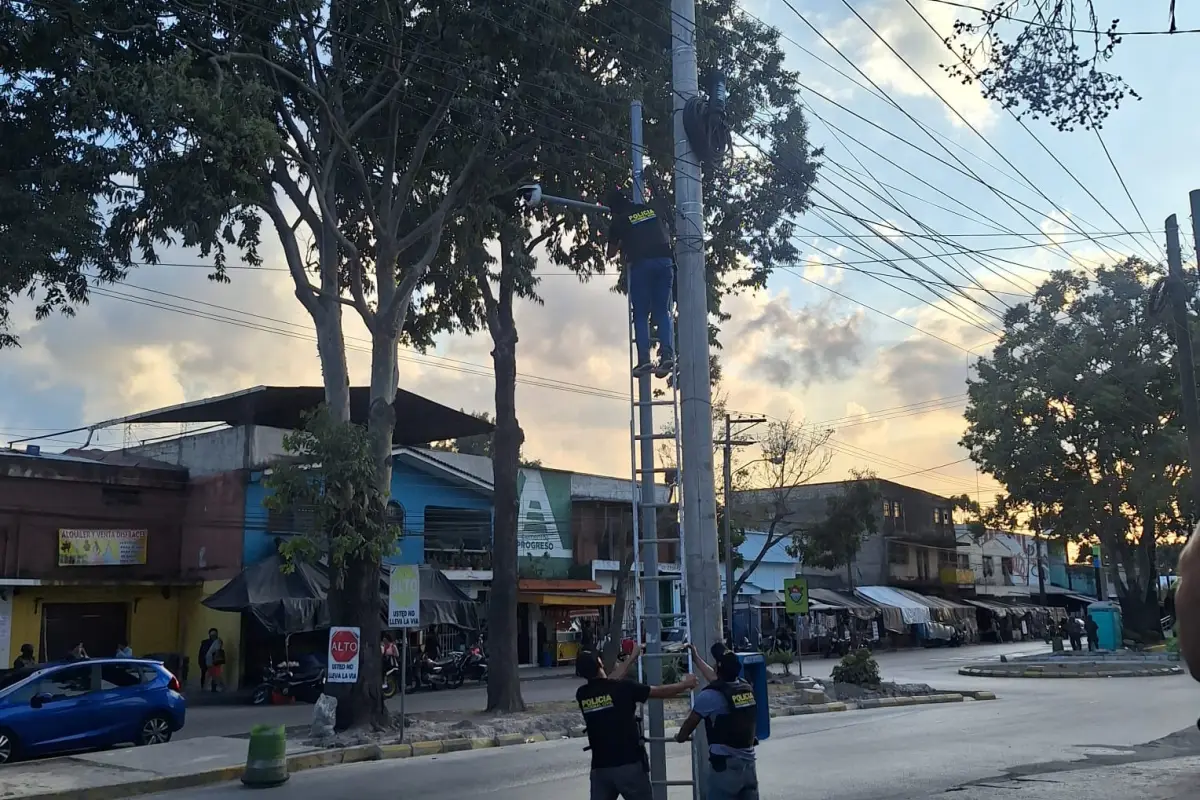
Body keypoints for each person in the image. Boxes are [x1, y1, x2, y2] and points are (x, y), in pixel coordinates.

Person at [575, 647, 698, 800]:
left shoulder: (582, 694)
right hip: (630, 766)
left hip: (600, 770)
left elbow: (607, 683)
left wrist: (632, 657)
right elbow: (659, 692)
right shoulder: (624, 687)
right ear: (600, 662)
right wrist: (686, 684)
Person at [605, 187, 675, 379]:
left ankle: (644, 359)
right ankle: (667, 354)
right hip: (665, 262)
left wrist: (622, 244)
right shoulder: (649, 210)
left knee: (641, 314)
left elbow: (610, 253)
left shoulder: (619, 221)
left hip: (642, 265)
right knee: (662, 311)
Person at [676, 650, 759, 800]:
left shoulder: (709, 696)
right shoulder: (745, 687)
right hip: (749, 767)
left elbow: (690, 724)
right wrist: (697, 658)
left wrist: (680, 737)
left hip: (725, 770)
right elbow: (718, 681)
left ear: (718, 669)